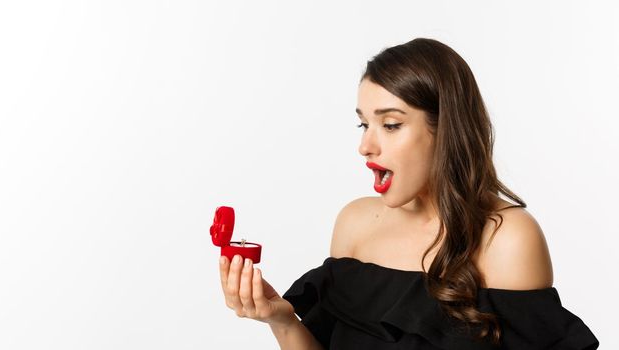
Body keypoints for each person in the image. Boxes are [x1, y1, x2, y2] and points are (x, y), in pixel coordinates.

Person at [217, 38, 599, 349]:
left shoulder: (508, 238)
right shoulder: (355, 223)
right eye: (363, 123)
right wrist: (280, 319)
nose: (366, 146)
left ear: (446, 129)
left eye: (391, 124)